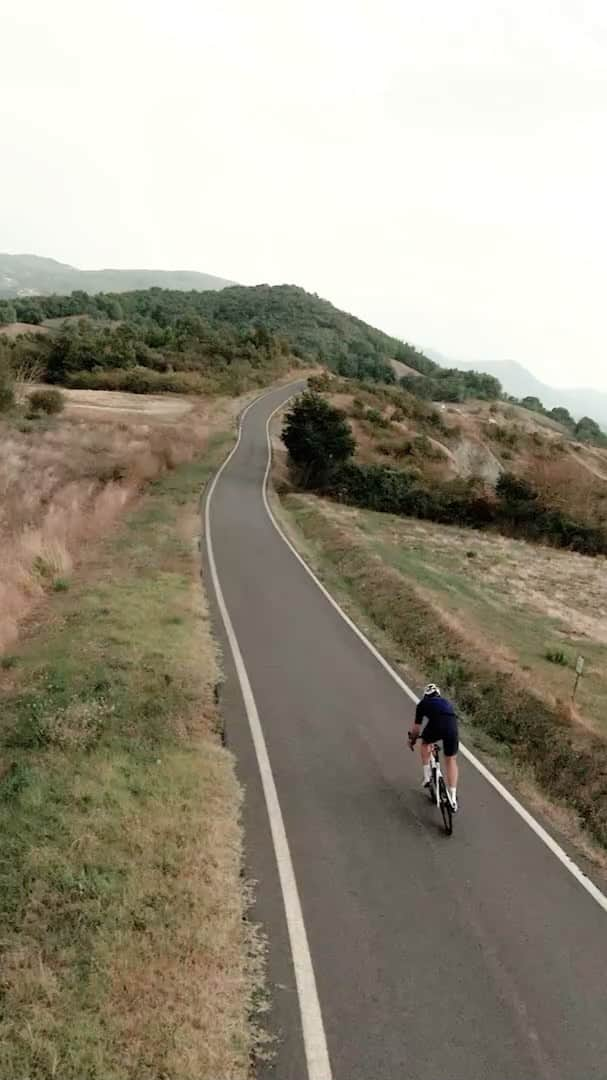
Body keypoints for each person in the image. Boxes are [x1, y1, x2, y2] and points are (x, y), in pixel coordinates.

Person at [408, 683, 459, 811]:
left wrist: (413, 740)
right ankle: (452, 797)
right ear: (438, 694)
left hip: (437, 724)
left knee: (425, 743)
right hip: (452, 726)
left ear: (426, 695)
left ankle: (427, 777)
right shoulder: (446, 702)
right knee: (451, 759)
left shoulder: (422, 704)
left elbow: (416, 729)